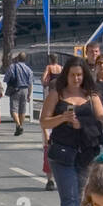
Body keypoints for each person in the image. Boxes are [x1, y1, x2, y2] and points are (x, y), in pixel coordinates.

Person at [39, 58, 103, 206]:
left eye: (79, 75)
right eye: (72, 75)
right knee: (69, 197)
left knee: (77, 195)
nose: (76, 79)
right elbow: (44, 122)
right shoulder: (56, 94)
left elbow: (102, 120)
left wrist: (82, 123)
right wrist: (62, 118)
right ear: (66, 75)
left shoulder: (92, 96)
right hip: (61, 153)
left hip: (85, 153)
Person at [40, 53, 64, 190]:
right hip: (58, 88)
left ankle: (50, 180)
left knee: (48, 157)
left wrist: (45, 82)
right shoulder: (60, 68)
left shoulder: (49, 67)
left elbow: (44, 79)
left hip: (52, 88)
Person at [5, 51, 33, 135]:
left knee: (13, 109)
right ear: (25, 59)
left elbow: (6, 78)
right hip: (25, 90)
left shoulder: (12, 67)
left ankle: (18, 125)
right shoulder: (29, 69)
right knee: (22, 110)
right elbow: (30, 83)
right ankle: (20, 126)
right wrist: (29, 94)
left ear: (17, 58)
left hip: (15, 89)